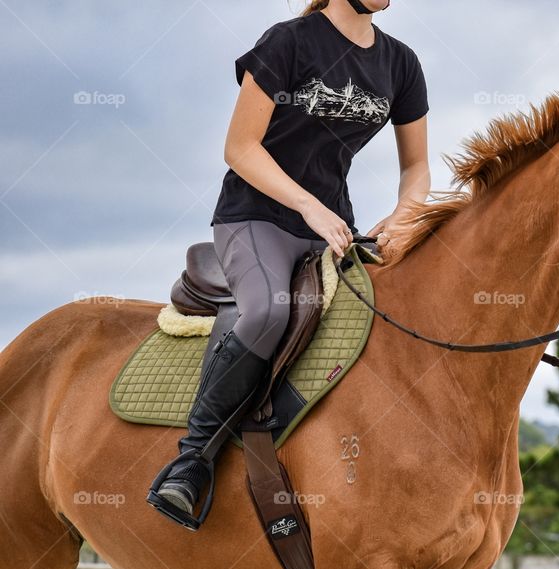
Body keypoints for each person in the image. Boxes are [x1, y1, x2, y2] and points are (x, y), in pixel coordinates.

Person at [148, 0, 430, 524]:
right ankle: (190, 464)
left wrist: (404, 216)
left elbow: (416, 167)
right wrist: (309, 205)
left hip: (335, 228)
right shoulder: (288, 41)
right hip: (255, 218)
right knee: (269, 312)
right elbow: (240, 148)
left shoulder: (401, 63)